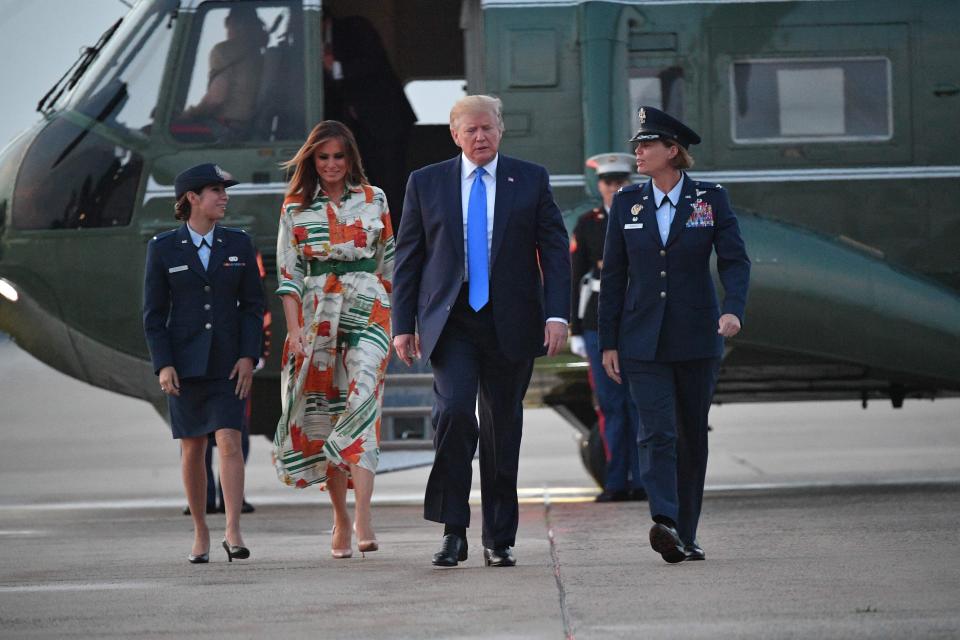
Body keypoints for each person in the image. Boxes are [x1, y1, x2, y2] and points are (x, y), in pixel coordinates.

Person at [392, 95, 571, 568]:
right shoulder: (426, 183)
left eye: (488, 128)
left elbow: (554, 251)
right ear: (455, 135)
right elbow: (408, 259)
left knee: (502, 427)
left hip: (511, 319)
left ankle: (499, 537)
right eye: (470, 130)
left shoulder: (530, 179)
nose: (480, 137)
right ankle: (454, 531)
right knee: (453, 413)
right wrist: (402, 326)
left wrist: (557, 314)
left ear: (501, 129)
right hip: (451, 321)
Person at [598, 106, 750, 563]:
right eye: (637, 145)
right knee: (657, 431)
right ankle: (664, 520)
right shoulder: (627, 202)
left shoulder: (711, 199)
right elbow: (614, 277)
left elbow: (734, 260)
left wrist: (733, 310)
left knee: (690, 435)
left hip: (698, 337)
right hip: (641, 338)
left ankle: (687, 532)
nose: (638, 152)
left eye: (647, 145)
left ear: (672, 150)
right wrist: (608, 341)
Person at [273, 120, 394, 559]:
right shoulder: (294, 208)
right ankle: (341, 517)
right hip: (316, 316)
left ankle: (363, 514)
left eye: (338, 157)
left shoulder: (374, 198)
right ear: (312, 160)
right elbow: (289, 275)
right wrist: (295, 333)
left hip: (369, 307)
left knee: (363, 401)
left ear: (350, 158)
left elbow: (389, 260)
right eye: (322, 157)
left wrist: (395, 315)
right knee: (324, 411)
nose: (330, 165)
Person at [143, 163, 265, 563]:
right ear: (191, 198)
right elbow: (154, 315)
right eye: (216, 190)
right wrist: (163, 364)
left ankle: (233, 529)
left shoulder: (239, 243)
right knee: (193, 448)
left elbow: (252, 306)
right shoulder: (162, 248)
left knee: (229, 439)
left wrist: (249, 356)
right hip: (185, 364)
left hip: (229, 363)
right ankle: (200, 531)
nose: (224, 197)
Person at [569, 153, 645, 503]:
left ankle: (644, 480)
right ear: (599, 185)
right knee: (611, 406)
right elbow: (574, 275)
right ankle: (615, 481)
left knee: (640, 404)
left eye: (620, 181)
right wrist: (574, 328)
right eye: (608, 182)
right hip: (598, 319)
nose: (614, 188)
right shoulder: (588, 223)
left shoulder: (645, 215)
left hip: (638, 317)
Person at [321, 9, 417, 231]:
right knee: (364, 185)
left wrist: (334, 67)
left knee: (390, 185)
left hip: (385, 122)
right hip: (354, 130)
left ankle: (399, 238)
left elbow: (373, 61)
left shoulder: (354, 26)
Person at [177, 7, 268, 140]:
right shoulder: (258, 54)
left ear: (238, 24)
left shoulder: (223, 50)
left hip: (226, 129)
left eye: (227, 22)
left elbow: (216, 98)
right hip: (248, 129)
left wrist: (187, 115)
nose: (226, 28)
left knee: (156, 133)